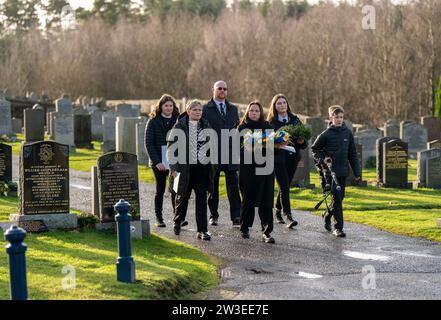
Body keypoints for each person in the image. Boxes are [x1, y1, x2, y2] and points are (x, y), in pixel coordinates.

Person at [167, 100, 217, 240]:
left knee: (201, 199)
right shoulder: (179, 126)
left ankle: (202, 230)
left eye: (200, 110)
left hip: (202, 169)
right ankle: (177, 222)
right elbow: (171, 150)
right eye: (194, 110)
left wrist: (213, 165)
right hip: (184, 169)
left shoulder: (206, 125)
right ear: (188, 111)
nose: (198, 112)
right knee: (182, 197)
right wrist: (174, 168)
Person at [311, 105, 361, 237]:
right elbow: (314, 149)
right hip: (330, 173)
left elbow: (352, 154)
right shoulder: (326, 134)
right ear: (331, 118)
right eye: (336, 117)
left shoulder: (348, 133)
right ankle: (338, 228)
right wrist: (323, 160)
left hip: (343, 171)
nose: (339, 120)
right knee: (337, 199)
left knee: (340, 198)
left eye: (341, 117)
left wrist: (357, 172)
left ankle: (327, 215)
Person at [238, 101, 282, 243]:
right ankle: (245, 228)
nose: (254, 113)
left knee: (266, 200)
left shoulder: (268, 127)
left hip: (266, 168)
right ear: (248, 112)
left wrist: (277, 144)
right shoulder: (242, 127)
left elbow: (273, 148)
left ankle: (267, 232)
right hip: (248, 169)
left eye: (257, 111)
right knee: (248, 200)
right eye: (252, 111)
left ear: (261, 112)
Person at [202, 80, 241, 226]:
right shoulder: (206, 108)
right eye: (219, 88)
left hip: (230, 152)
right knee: (213, 186)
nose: (222, 91)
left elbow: (236, 128)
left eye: (225, 89)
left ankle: (236, 216)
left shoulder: (233, 109)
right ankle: (214, 215)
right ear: (213, 90)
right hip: (213, 152)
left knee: (233, 186)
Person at [267, 94, 308, 228]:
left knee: (285, 186)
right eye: (279, 103)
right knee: (284, 186)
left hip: (292, 158)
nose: (282, 105)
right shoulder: (271, 122)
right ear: (274, 106)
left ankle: (277, 210)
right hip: (277, 159)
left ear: (287, 104)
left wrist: (301, 141)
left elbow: (304, 143)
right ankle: (288, 216)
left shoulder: (295, 120)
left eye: (284, 103)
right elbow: (266, 142)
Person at [145, 94, 185, 228]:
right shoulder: (153, 121)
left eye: (171, 106)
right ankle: (159, 217)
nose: (168, 108)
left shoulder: (178, 121)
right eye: (166, 105)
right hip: (159, 160)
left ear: (174, 107)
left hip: (175, 159)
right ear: (160, 106)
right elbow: (148, 143)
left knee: (175, 189)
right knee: (160, 190)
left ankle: (177, 217)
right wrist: (157, 162)